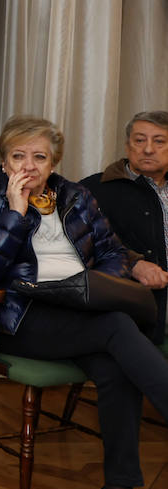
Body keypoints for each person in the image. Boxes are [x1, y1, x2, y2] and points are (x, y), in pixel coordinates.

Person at [0, 115, 168, 489]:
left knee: (115, 363)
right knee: (117, 330)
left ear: (54, 163)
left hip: (81, 311)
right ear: (3, 162)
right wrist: (15, 215)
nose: (29, 166)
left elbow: (112, 252)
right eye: (19, 156)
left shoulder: (77, 196)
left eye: (40, 157)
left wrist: (91, 288)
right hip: (20, 316)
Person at [82, 111, 168, 342]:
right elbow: (77, 247)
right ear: (127, 145)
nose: (148, 149)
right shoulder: (93, 189)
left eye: (159, 141)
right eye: (140, 140)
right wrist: (133, 263)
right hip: (128, 309)